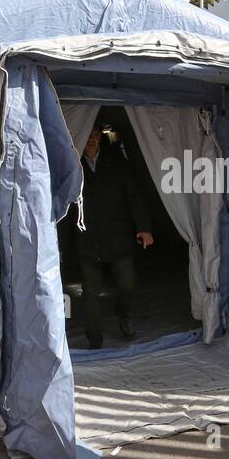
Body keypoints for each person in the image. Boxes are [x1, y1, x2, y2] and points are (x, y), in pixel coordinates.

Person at [76, 123, 153, 348]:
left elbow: (134, 197)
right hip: (87, 238)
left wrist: (144, 228)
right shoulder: (72, 165)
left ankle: (124, 314)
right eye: (86, 134)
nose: (90, 139)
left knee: (128, 283)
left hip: (118, 235)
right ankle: (95, 339)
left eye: (95, 134)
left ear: (100, 136)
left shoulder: (118, 163)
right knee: (90, 292)